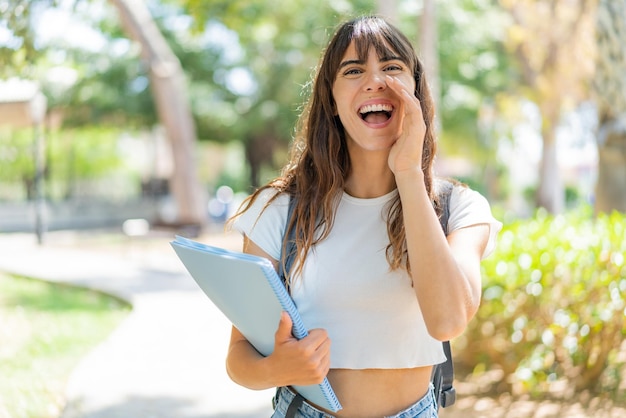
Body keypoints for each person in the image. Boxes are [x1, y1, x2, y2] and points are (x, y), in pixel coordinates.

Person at [226, 15, 502, 418]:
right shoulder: (280, 209)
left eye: (392, 67)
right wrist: (275, 368)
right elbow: (238, 359)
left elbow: (447, 321)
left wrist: (408, 173)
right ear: (333, 102)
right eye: (353, 71)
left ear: (416, 91)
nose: (375, 81)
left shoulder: (459, 208)